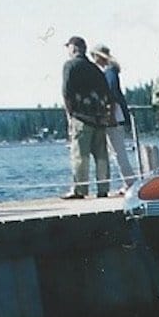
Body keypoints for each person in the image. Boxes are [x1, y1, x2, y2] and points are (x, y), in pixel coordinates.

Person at [60, 36, 112, 199]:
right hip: (99, 117)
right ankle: (103, 188)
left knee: (80, 156)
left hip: (81, 117)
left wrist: (70, 113)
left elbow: (67, 91)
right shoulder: (95, 68)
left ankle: (80, 189)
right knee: (101, 156)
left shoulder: (70, 65)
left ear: (74, 48)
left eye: (68, 47)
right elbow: (106, 93)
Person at [90, 44, 137, 190]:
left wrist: (110, 114)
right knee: (117, 151)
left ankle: (130, 182)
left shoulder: (109, 72)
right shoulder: (111, 71)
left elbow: (112, 94)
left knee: (118, 152)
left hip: (114, 116)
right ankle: (128, 181)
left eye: (94, 56)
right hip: (116, 115)